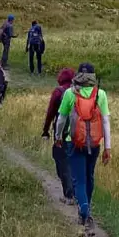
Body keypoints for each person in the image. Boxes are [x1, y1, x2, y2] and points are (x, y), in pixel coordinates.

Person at [54, 63, 111, 231]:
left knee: (79, 179)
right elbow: (106, 122)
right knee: (89, 176)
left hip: (74, 142)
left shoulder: (70, 93)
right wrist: (108, 147)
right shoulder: (100, 94)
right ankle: (87, 209)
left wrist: (58, 137)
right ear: (93, 76)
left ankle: (84, 211)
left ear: (78, 75)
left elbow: (61, 119)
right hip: (94, 144)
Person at [42, 68, 75, 205]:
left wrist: (45, 130)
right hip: (80, 133)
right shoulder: (79, 92)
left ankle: (68, 195)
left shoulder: (59, 92)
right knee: (74, 162)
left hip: (62, 132)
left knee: (61, 161)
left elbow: (51, 113)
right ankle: (78, 195)